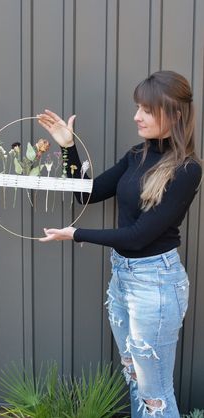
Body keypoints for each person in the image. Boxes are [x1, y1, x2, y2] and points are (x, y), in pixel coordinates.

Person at [37, 70, 202, 417]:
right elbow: (88, 194)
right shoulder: (137, 155)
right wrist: (68, 147)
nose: (136, 116)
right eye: (137, 107)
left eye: (146, 109)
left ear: (174, 114)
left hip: (155, 285)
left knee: (154, 393)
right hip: (123, 280)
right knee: (134, 378)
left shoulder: (187, 170)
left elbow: (140, 235)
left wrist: (76, 234)